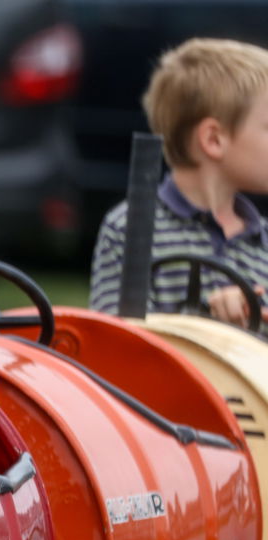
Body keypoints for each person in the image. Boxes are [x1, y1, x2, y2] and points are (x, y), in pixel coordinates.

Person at [89, 38, 268, 326]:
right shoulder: (129, 229)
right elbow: (115, 346)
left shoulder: (263, 243)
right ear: (213, 139)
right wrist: (206, 323)